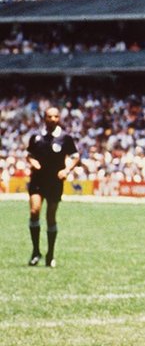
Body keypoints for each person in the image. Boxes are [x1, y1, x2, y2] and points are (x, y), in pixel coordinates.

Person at [26, 106, 80, 268]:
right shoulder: (36, 137)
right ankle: (36, 251)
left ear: (59, 119)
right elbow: (29, 154)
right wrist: (32, 161)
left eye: (56, 116)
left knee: (51, 217)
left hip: (54, 182)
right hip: (37, 180)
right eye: (50, 116)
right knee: (34, 211)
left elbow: (75, 156)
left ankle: (50, 254)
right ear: (45, 118)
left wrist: (67, 169)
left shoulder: (65, 138)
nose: (53, 119)